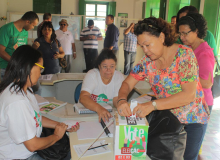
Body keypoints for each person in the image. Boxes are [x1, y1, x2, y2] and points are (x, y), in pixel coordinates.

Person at [116, 17, 210, 160]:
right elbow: (127, 84)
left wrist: (152, 105)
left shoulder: (184, 55)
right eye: (141, 46)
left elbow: (188, 95)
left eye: (147, 44)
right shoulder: (147, 63)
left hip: (192, 120)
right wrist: (122, 100)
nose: (145, 50)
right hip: (169, 120)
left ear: (161, 37)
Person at [0, 45, 80, 159]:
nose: (41, 73)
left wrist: (60, 125)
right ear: (28, 67)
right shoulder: (16, 101)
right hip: (20, 156)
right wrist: (56, 135)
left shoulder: (24, 89)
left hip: (28, 151)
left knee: (70, 151)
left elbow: (35, 117)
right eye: (40, 68)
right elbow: (32, 145)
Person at [178, 13, 215, 112]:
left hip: (201, 103)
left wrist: (180, 78)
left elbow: (207, 83)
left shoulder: (204, 53)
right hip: (191, 101)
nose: (182, 37)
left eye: (185, 33)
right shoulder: (189, 49)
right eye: (180, 34)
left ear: (196, 31)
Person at [79, 49, 124, 122]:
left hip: (109, 115)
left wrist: (122, 106)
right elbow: (83, 98)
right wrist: (99, 109)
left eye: (112, 66)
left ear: (115, 66)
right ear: (99, 66)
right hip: (89, 113)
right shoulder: (92, 75)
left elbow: (116, 99)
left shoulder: (119, 77)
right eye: (105, 66)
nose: (108, 70)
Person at [0, 11, 39, 80]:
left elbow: (23, 50)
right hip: (6, 68)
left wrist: (33, 47)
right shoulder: (7, 29)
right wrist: (15, 62)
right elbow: (1, 51)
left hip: (19, 68)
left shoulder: (25, 32)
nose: (33, 28)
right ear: (27, 22)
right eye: (33, 25)